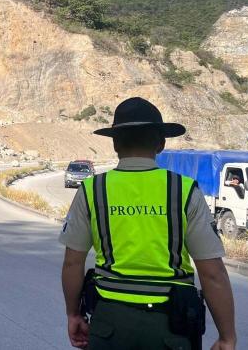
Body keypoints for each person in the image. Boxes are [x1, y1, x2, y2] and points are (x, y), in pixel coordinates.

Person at [59, 97, 237, 350]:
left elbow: (72, 262)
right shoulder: (184, 191)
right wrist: (227, 336)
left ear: (115, 144)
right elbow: (213, 272)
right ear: (161, 144)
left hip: (109, 325)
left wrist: (73, 314)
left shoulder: (91, 190)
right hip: (171, 328)